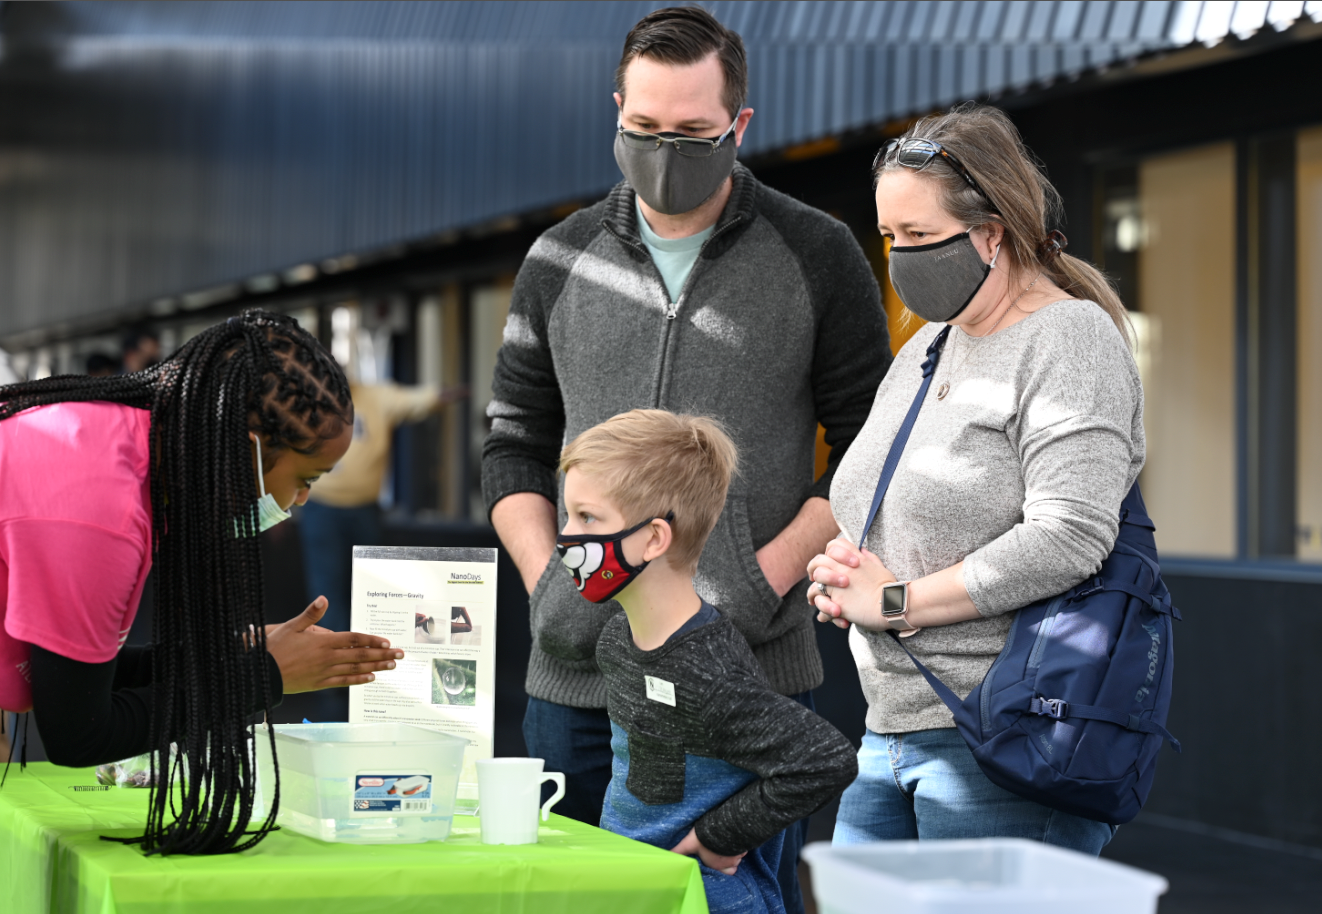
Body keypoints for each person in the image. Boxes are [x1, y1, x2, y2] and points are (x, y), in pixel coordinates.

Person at [483, 9, 887, 908]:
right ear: (618, 110)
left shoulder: (818, 253)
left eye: (694, 134)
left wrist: (763, 578)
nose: (667, 150)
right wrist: (557, 577)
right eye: (645, 130)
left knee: (727, 898)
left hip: (740, 679)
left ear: (739, 126)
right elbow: (511, 445)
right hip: (575, 681)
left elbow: (870, 444)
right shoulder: (558, 259)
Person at [807, 104, 1143, 854]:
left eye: (918, 237)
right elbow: (876, 497)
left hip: (1004, 732)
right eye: (889, 237)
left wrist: (894, 601)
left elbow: (1071, 534)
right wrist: (844, 567)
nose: (898, 258)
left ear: (992, 232)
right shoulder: (926, 347)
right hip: (890, 728)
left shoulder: (1069, 337)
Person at [0, 310, 404, 855]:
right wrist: (260, 676)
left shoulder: (116, 444)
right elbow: (78, 731)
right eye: (305, 479)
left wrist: (230, 656)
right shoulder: (102, 515)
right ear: (249, 448)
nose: (302, 501)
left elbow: (73, 675)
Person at [560, 410, 857, 914]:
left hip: (710, 899)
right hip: (636, 889)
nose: (566, 538)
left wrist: (718, 834)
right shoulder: (616, 640)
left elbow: (824, 759)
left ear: (654, 538)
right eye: (567, 516)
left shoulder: (706, 671)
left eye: (586, 518)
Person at [300, 380, 464, 634]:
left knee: (371, 587)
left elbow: (417, 399)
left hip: (365, 509)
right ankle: (334, 656)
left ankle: (366, 651)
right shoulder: (307, 399)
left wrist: (446, 393)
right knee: (326, 588)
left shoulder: (376, 397)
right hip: (320, 508)